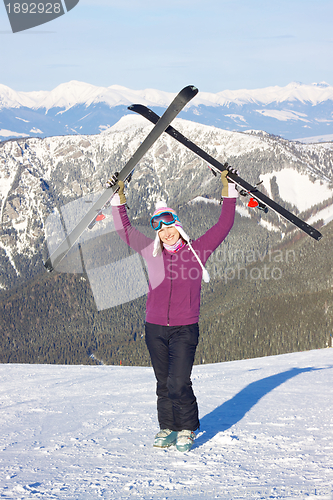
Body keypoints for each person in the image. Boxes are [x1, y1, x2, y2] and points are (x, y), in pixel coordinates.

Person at [109, 167, 238, 452]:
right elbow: (125, 231)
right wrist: (118, 199)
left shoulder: (197, 251)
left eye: (169, 228)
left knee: (179, 381)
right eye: (161, 229)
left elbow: (224, 225)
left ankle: (188, 428)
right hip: (154, 328)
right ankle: (167, 427)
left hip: (184, 328)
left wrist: (228, 191)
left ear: (178, 226)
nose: (166, 234)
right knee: (163, 382)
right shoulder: (151, 252)